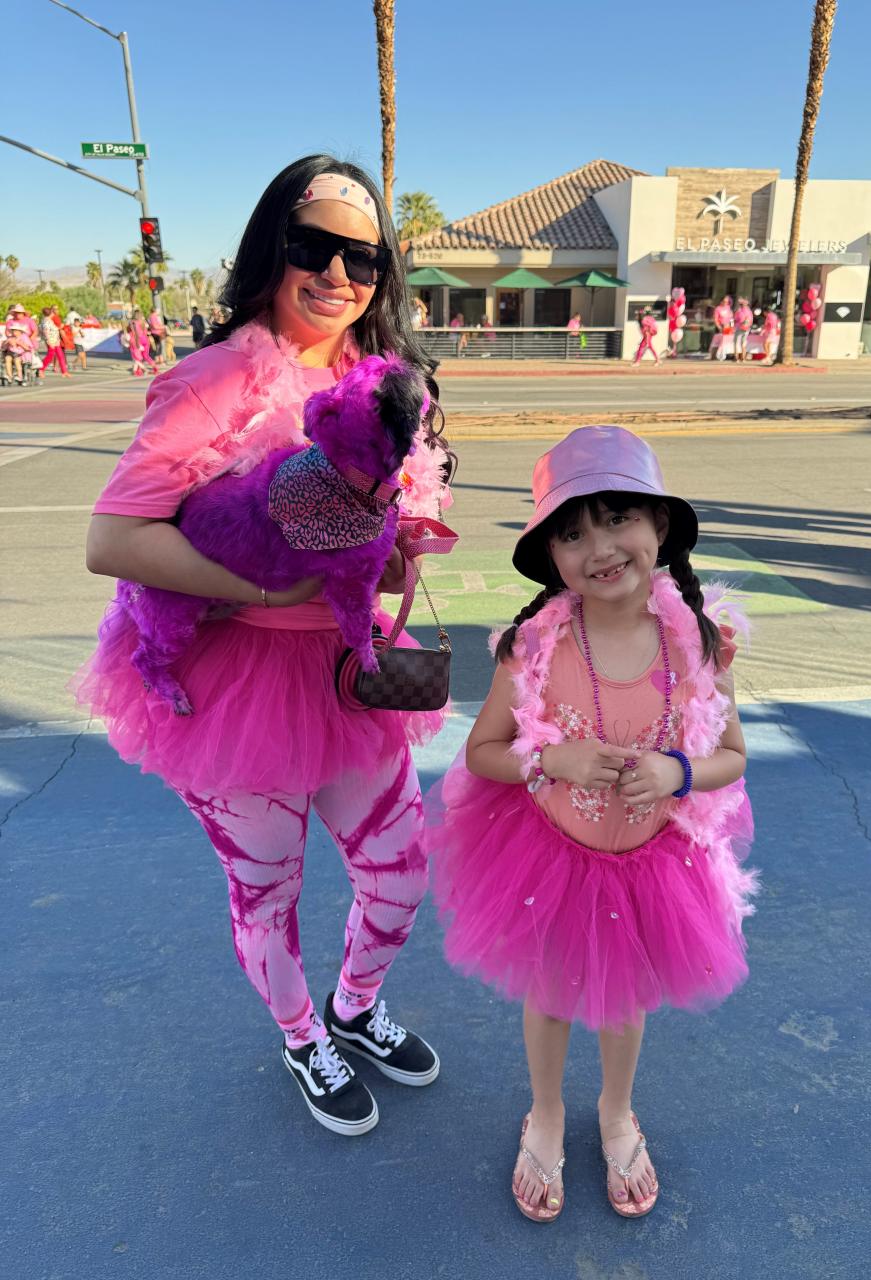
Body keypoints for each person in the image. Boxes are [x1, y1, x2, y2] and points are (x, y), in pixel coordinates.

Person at [74, 154, 455, 1139]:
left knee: (402, 868)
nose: (337, 274)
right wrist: (268, 584)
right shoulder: (213, 382)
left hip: (345, 669)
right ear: (269, 253)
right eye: (312, 247)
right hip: (236, 681)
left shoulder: (384, 385)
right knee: (267, 888)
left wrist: (396, 545)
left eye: (361, 257)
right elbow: (112, 539)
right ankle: (301, 1036)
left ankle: (355, 1008)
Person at [428, 426, 756, 1221]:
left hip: (650, 864)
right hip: (549, 854)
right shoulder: (532, 646)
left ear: (660, 528)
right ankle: (544, 1113)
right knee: (547, 993)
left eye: (618, 520)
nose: (600, 548)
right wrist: (554, 762)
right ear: (551, 557)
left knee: (623, 998)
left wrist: (679, 771)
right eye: (572, 534)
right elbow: (483, 752)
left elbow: (734, 755)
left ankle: (615, 1110)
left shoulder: (697, 643)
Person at [124, 309, 159, 377]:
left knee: (138, 357)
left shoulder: (133, 322)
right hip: (145, 340)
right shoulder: (143, 322)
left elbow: (134, 333)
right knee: (146, 356)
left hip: (138, 340)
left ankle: (139, 370)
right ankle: (155, 368)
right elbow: (145, 332)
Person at [38, 307, 70, 378]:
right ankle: (40, 369)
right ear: (51, 313)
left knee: (60, 355)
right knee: (50, 356)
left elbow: (52, 328)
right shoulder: (46, 321)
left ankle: (64, 371)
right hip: (51, 341)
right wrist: (48, 341)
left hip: (55, 340)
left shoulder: (48, 320)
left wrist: (59, 327)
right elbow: (46, 332)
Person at [712, 295, 734, 360]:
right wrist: (719, 327)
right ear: (721, 301)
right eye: (724, 301)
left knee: (726, 341)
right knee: (717, 342)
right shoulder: (718, 308)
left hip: (728, 327)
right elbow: (715, 319)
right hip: (720, 326)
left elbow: (731, 318)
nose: (726, 303)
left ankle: (724, 355)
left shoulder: (728, 308)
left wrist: (732, 326)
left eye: (727, 302)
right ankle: (713, 356)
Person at [733, 297, 753, 363]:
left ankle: (737, 358)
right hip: (746, 328)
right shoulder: (749, 311)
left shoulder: (739, 311)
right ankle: (743, 358)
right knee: (743, 343)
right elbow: (751, 321)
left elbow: (735, 319)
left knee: (736, 343)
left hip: (739, 328)